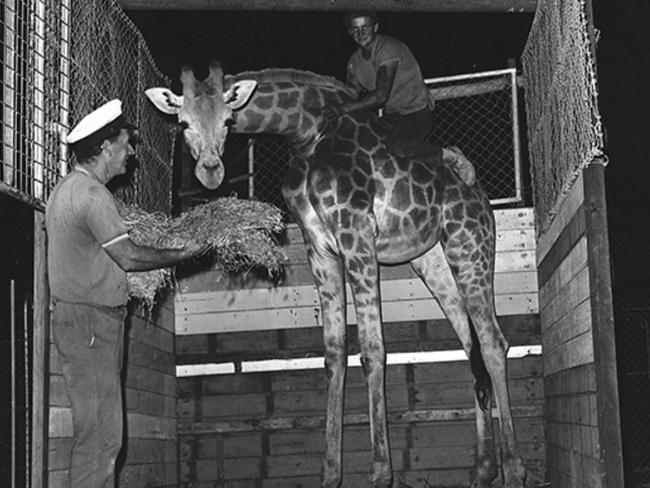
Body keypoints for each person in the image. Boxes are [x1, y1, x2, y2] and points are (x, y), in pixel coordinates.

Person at [45, 99, 207, 488]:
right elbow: (129, 256)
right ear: (104, 146)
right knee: (102, 438)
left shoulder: (66, 189)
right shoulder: (92, 195)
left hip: (83, 323)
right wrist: (182, 253)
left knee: (97, 435)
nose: (131, 152)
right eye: (125, 143)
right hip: (91, 325)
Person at [324, 12, 475, 185]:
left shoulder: (388, 49)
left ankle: (453, 158)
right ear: (350, 32)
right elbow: (350, 94)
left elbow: (381, 96)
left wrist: (342, 108)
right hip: (393, 115)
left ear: (375, 27)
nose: (360, 33)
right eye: (355, 29)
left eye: (365, 27)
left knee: (397, 146)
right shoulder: (353, 62)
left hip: (417, 111)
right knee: (367, 143)